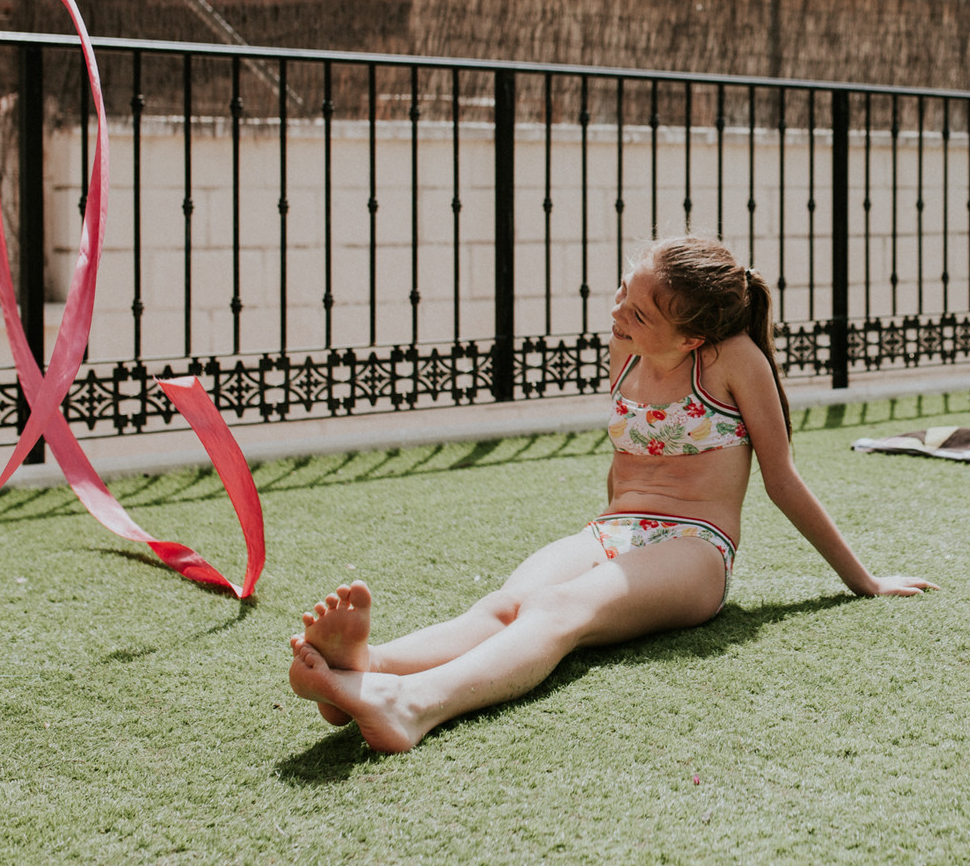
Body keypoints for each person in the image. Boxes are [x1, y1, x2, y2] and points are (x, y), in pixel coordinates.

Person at [288, 235, 934, 751]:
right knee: (511, 601)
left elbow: (782, 479)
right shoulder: (624, 350)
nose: (618, 314)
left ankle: (412, 705)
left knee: (560, 610)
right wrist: (602, 537)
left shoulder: (734, 362)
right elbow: (623, 463)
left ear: (692, 339)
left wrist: (865, 580)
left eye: (638, 312)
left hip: (692, 548)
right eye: (624, 293)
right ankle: (366, 667)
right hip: (613, 532)